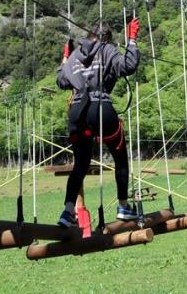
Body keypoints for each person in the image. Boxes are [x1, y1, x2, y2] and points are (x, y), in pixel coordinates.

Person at [56, 19, 140, 227]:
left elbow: (61, 81)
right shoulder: (107, 49)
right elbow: (129, 65)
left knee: (81, 164)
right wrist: (132, 40)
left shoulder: (75, 55)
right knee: (119, 155)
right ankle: (123, 206)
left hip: (77, 112)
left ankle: (68, 212)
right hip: (99, 107)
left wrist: (65, 58)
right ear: (106, 37)